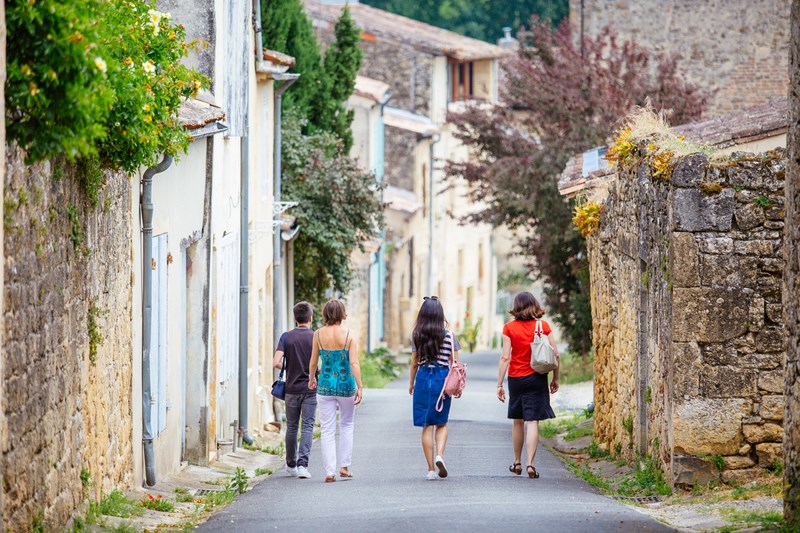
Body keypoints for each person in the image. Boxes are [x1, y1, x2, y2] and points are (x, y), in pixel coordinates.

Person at [496, 291, 558, 479]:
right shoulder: (543, 326)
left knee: (518, 421)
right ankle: (531, 464)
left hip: (516, 378)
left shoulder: (509, 328)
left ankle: (517, 462)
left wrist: (499, 384)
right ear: (534, 305)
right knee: (533, 421)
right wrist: (555, 378)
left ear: (516, 307)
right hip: (537, 377)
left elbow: (505, 357)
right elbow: (555, 354)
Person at [308, 299, 363, 483]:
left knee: (327, 429)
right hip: (346, 385)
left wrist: (311, 378)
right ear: (342, 314)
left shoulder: (317, 334)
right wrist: (360, 385)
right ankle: (344, 467)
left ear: (325, 313)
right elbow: (354, 362)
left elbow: (313, 362)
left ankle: (329, 472)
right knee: (347, 425)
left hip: (325, 386)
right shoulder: (349, 335)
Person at [408, 296, 461, 480]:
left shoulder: (416, 335)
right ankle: (440, 455)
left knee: (426, 425)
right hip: (442, 380)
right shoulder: (449, 336)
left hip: (423, 377)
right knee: (442, 423)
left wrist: (411, 383)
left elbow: (414, 363)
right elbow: (455, 363)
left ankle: (430, 470)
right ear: (440, 315)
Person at [273, 301, 316, 479]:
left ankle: (290, 464)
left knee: (291, 427)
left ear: (294, 318)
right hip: (310, 388)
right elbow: (318, 363)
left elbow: (276, 362)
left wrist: (289, 365)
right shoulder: (315, 336)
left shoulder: (286, 336)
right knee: (307, 426)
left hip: (290, 389)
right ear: (311, 318)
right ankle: (303, 466)